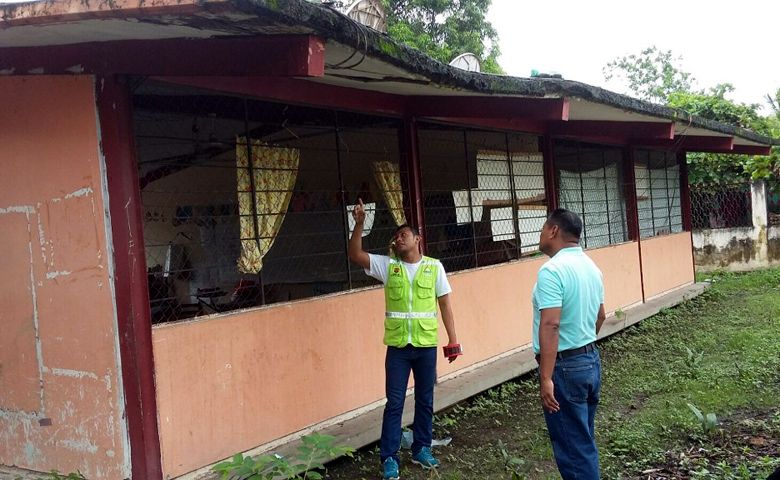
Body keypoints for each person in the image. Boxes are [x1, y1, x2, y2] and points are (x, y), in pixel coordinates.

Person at [348, 199, 462, 480]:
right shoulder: (388, 266)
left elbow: (445, 305)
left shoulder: (435, 267)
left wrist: (453, 340)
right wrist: (359, 224)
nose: (398, 239)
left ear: (417, 239)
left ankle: (421, 448)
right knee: (394, 403)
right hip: (398, 349)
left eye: (403, 235)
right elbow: (355, 254)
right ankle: (389, 458)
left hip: (425, 347)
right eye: (396, 236)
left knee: (425, 400)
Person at [533, 208, 606, 480]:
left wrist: (546, 376)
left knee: (574, 450)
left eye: (543, 228)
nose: (540, 234)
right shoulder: (592, 267)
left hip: (565, 368)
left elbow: (551, 324)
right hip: (590, 361)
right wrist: (583, 343)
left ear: (553, 230)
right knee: (583, 440)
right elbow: (600, 316)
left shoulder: (551, 271)